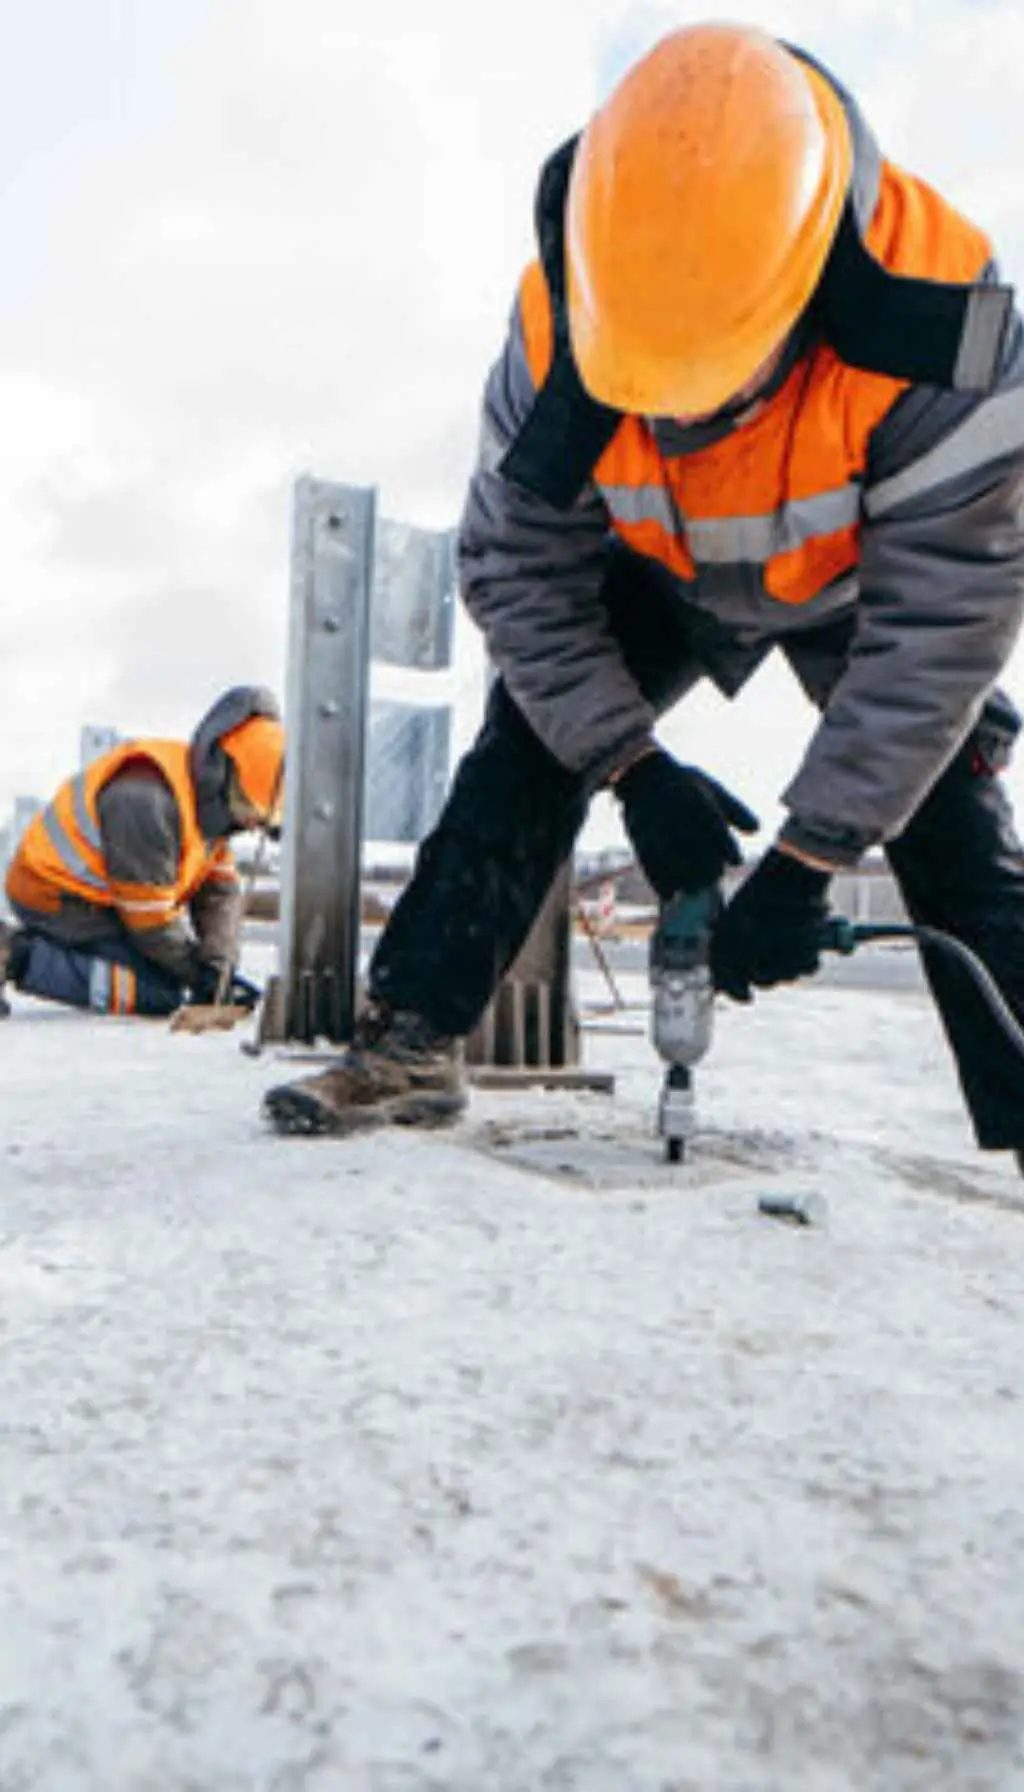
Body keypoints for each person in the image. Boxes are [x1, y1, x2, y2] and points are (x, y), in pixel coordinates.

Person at [264, 22, 1024, 1161]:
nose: (674, 419)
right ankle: (407, 1042)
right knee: (524, 747)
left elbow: (942, 627)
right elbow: (516, 576)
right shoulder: (554, 330)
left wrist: (812, 854)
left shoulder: (939, 330)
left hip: (848, 578)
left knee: (947, 804)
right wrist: (633, 764)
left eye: (707, 385)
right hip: (655, 565)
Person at [0, 686, 283, 1019]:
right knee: (155, 991)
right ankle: (15, 954)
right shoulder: (146, 801)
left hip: (99, 900)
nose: (252, 824)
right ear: (228, 776)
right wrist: (197, 975)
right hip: (55, 895)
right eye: (251, 809)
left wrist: (219, 967)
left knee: (165, 976)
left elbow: (219, 891)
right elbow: (149, 921)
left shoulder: (210, 803)